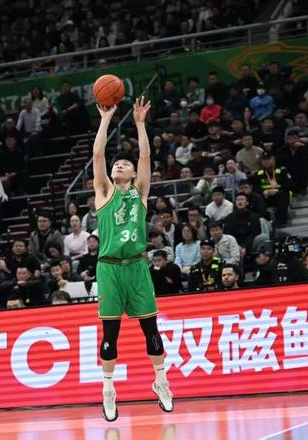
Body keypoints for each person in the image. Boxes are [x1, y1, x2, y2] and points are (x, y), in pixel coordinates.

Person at [92, 98, 172, 421]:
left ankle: (161, 382)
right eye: (117, 164)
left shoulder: (140, 191)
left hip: (137, 266)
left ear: (134, 173)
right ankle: (108, 389)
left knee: (151, 330)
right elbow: (98, 155)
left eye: (125, 163)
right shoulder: (103, 192)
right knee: (109, 335)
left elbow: (145, 156)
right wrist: (105, 119)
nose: (120, 165)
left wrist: (140, 124)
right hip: (110, 269)